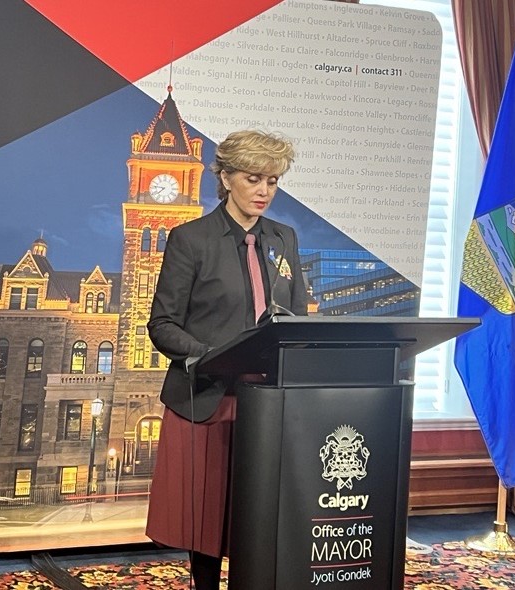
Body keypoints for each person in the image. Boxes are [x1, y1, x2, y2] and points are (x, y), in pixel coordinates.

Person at [145, 130, 308, 589]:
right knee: (206, 518)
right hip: (208, 399)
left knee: (258, 512)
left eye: (272, 181)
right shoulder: (190, 239)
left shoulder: (284, 239)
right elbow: (162, 325)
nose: (263, 191)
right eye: (253, 178)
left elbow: (295, 316)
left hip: (269, 402)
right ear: (226, 178)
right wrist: (214, 356)